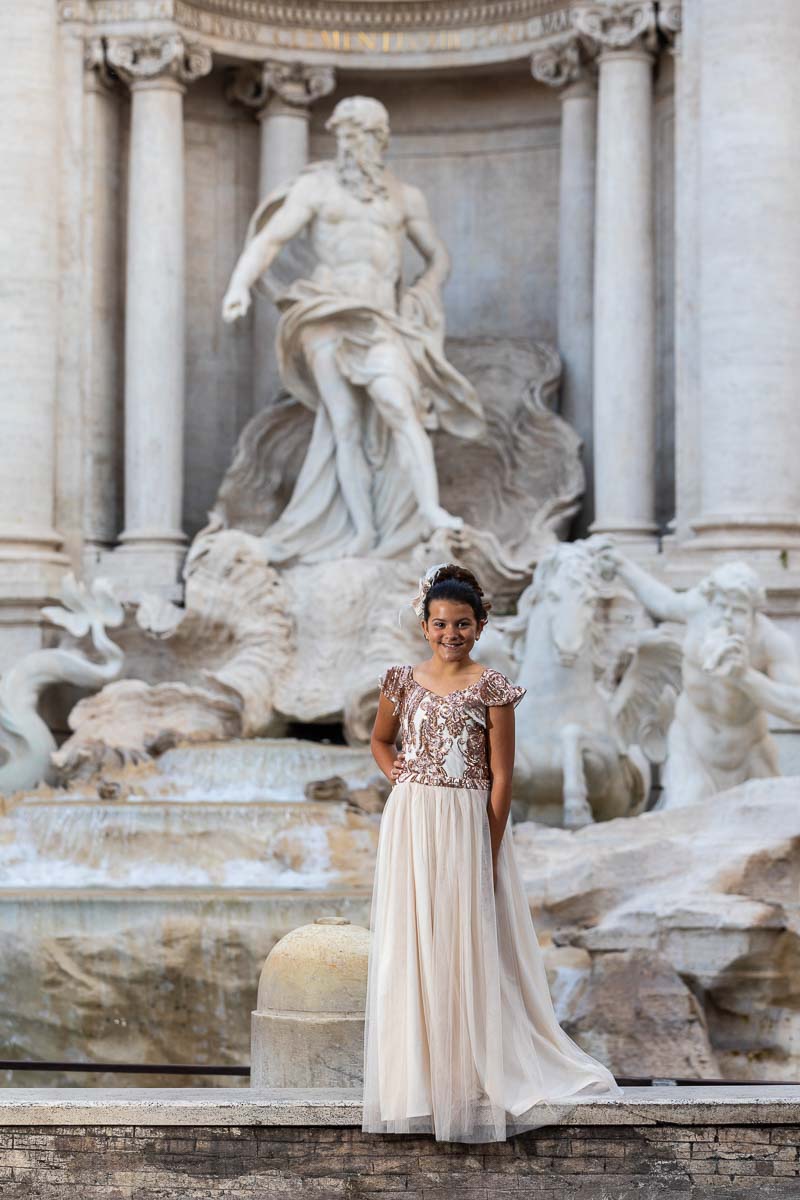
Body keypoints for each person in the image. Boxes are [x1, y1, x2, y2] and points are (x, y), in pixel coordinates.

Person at [363, 563, 622, 1143]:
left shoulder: (493, 688)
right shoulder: (400, 681)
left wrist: (489, 842)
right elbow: (380, 740)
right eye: (439, 624)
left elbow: (503, 777)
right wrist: (395, 773)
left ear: (480, 626)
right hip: (411, 820)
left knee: (466, 943)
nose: (449, 634)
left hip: (468, 823)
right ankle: (419, 1082)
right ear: (423, 626)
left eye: (461, 624)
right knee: (414, 941)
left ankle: (477, 1072)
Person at [221, 96, 485, 563]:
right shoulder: (317, 188)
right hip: (325, 311)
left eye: (360, 135)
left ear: (380, 140)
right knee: (342, 423)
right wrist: (239, 285)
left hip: (380, 318)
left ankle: (429, 510)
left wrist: (424, 288)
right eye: (344, 134)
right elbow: (271, 239)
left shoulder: (406, 197)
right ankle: (362, 531)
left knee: (398, 405)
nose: (350, 144)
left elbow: (438, 256)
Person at [596, 545, 800, 807]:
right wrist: (623, 565)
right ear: (709, 601)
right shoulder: (697, 610)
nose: (725, 618)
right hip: (692, 748)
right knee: (682, 821)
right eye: (720, 606)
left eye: (737, 611)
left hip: (750, 753)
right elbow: (661, 600)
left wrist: (745, 676)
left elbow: (796, 706)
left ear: (753, 611)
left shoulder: (770, 641)